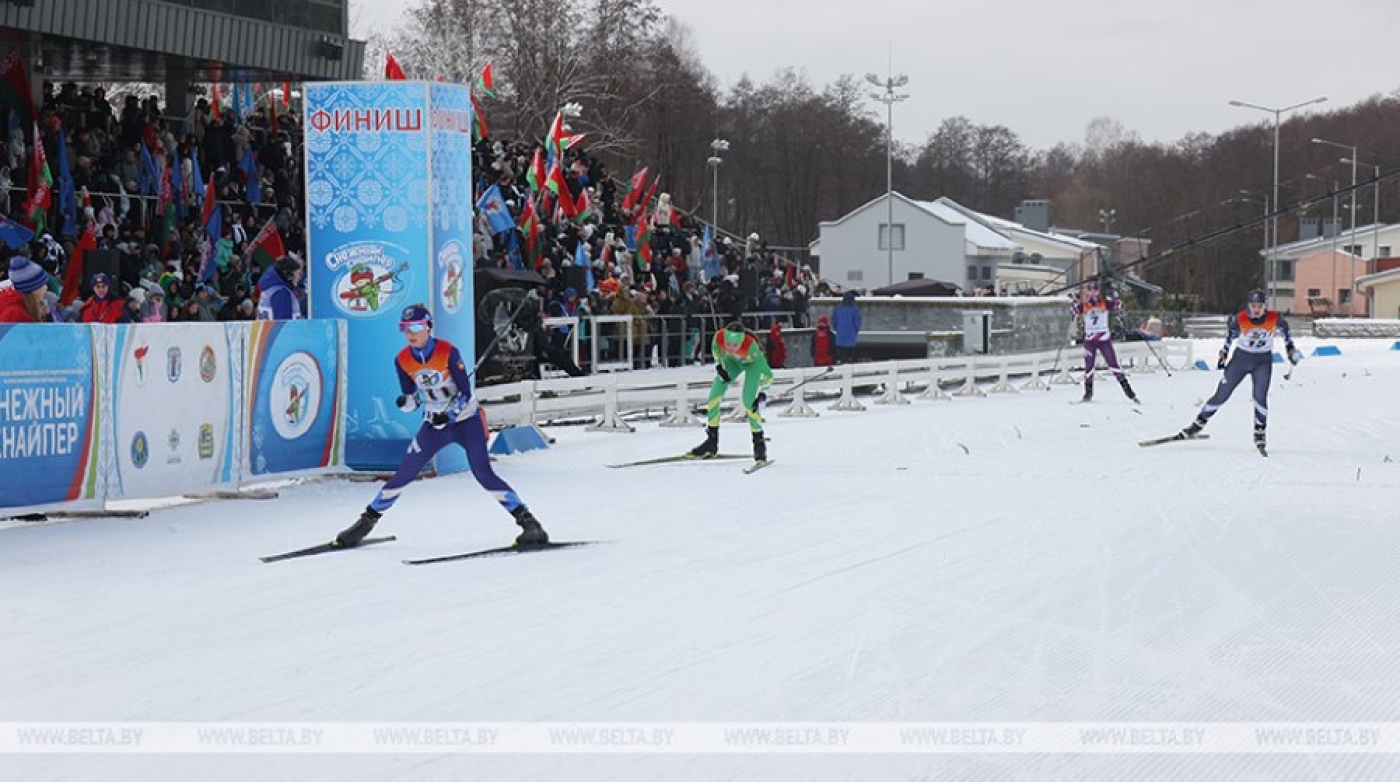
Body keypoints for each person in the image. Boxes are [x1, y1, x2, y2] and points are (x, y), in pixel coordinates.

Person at [334, 304, 549, 548]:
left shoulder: (447, 351)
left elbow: (466, 394)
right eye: (404, 329)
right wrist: (406, 403)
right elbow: (412, 398)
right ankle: (364, 524)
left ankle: (530, 524)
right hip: (434, 425)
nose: (410, 333)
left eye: (416, 327)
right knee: (404, 474)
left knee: (483, 474)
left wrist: (449, 415)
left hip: (466, 422)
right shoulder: (402, 359)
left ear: (428, 327)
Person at [1177, 289, 1301, 456]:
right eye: (1253, 305)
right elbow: (1230, 337)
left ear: (1265, 306)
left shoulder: (1274, 318)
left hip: (1262, 361)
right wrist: (1224, 353)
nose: (1256, 309)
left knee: (1260, 396)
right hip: (1240, 360)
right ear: (1248, 305)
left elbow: (1287, 337)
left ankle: (1260, 432)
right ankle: (1197, 424)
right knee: (1222, 395)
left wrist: (1291, 352)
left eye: (1260, 305)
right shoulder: (1241, 318)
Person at [689, 321, 773, 463]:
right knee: (713, 398)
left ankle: (759, 445)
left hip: (751, 366)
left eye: (735, 345)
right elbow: (716, 349)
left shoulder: (752, 348)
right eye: (728, 344)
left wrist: (763, 394)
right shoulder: (719, 337)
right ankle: (711, 441)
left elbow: (768, 375)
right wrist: (719, 365)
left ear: (742, 341)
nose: (731, 348)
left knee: (749, 403)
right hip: (731, 363)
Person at [1070, 280, 1137, 403]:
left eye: (1095, 290)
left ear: (1098, 291)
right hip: (1090, 340)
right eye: (1089, 290)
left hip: (1103, 340)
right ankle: (1088, 393)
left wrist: (1115, 296)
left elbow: (1118, 305)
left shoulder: (1104, 303)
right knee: (1089, 367)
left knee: (1113, 364)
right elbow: (1073, 310)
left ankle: (1129, 392)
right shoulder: (1084, 305)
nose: (1092, 293)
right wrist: (1074, 300)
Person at [0, 256, 52, 323]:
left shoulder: (28, 305)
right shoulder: (16, 314)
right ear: (33, 289)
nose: (46, 288)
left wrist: (47, 315)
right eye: (42, 285)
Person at [255, 255, 303, 320]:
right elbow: (283, 324)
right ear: (289, 274)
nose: (299, 277)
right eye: (298, 274)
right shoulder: (282, 293)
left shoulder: (269, 290)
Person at [831, 290, 861, 364]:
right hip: (851, 337)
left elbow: (834, 321)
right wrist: (856, 331)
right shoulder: (855, 310)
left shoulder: (837, 309)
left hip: (840, 337)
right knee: (850, 358)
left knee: (842, 357)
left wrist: (837, 329)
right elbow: (857, 323)